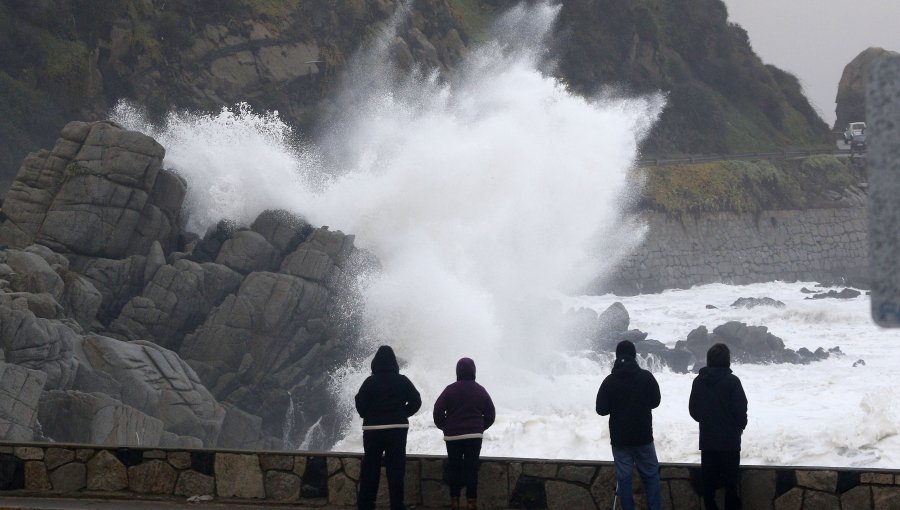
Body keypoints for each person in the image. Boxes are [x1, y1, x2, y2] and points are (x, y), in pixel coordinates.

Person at [596, 340, 663, 510]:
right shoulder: (646, 377)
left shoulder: (610, 381)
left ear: (617, 357)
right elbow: (656, 402)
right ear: (634, 356)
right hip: (643, 436)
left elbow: (601, 410)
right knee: (651, 476)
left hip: (620, 440)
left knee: (624, 479)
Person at [354, 345, 422, 510]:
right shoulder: (402, 380)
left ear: (375, 362)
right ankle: (397, 505)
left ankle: (366, 505)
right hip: (396, 429)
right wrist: (403, 413)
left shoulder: (370, 382)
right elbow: (416, 400)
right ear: (394, 362)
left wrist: (367, 415)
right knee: (396, 469)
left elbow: (359, 401)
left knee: (371, 468)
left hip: (373, 430)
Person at [689, 343, 748, 510]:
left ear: (709, 360)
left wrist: (707, 421)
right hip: (730, 442)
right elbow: (740, 409)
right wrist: (740, 425)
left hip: (708, 440)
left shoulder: (699, 381)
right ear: (727, 361)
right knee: (731, 486)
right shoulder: (732, 381)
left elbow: (693, 410)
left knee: (709, 488)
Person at [433, 357, 496, 510]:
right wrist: (480, 427)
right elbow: (491, 414)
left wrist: (445, 427)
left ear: (458, 371)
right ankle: (471, 503)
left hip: (453, 436)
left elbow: (438, 410)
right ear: (474, 371)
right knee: (471, 469)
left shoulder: (450, 389)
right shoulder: (480, 390)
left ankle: (454, 502)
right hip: (474, 437)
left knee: (454, 468)